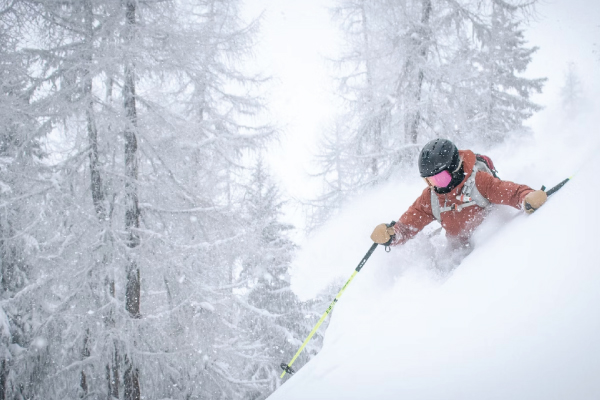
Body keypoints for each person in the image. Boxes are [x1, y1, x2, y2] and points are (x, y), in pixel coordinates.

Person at [371, 138, 548, 248]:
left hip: (489, 248)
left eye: (440, 179)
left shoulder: (479, 182)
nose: (436, 186)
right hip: (458, 256)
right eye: (429, 180)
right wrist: (391, 235)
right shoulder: (432, 197)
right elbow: (407, 227)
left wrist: (527, 196)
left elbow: (511, 193)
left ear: (455, 168)